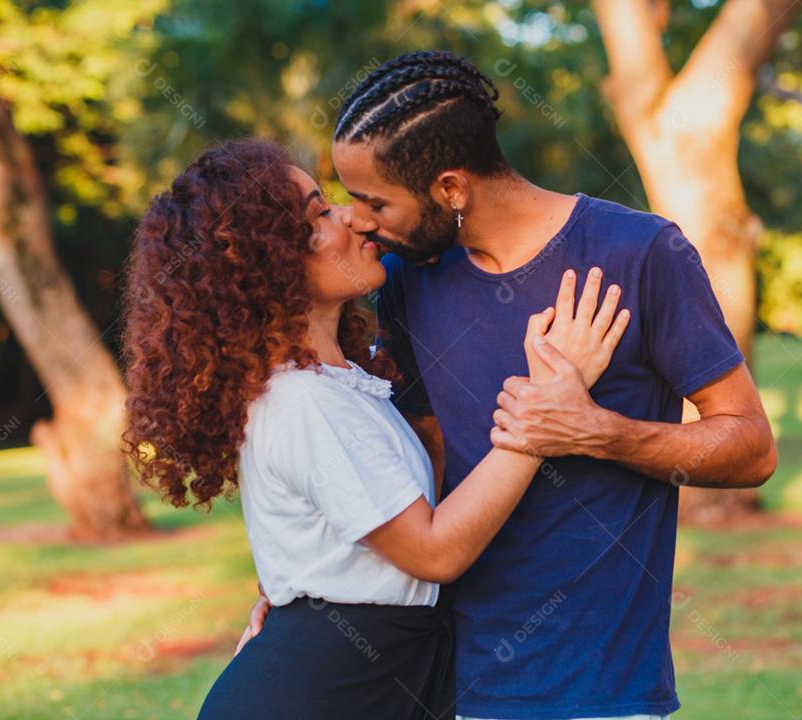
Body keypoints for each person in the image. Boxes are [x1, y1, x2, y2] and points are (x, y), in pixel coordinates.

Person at [240, 51, 777, 720]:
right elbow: (412, 468)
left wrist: (601, 433)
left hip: (598, 689)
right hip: (448, 684)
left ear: (451, 189)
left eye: (375, 200)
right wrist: (304, 589)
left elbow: (751, 447)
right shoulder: (410, 283)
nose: (359, 220)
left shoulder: (640, 254)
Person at [120, 138, 630, 719]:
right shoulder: (302, 402)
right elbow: (433, 553)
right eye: (320, 213)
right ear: (272, 261)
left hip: (369, 679)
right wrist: (543, 413)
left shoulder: (340, 382)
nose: (354, 218)